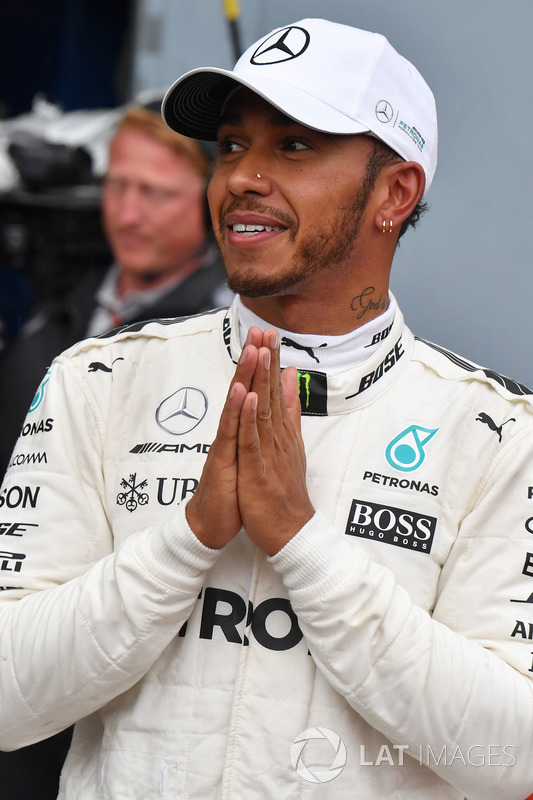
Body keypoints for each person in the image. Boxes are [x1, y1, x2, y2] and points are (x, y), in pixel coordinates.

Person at [0, 18, 532, 800]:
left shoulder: (497, 436)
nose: (242, 177)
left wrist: (303, 547)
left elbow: (511, 753)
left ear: (394, 191)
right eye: (231, 146)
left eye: (292, 146)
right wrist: (186, 542)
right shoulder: (98, 381)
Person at [0, 106, 231, 477]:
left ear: (209, 204)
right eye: (117, 185)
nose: (127, 215)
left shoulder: (224, 333)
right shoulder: (52, 298)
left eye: (155, 194)